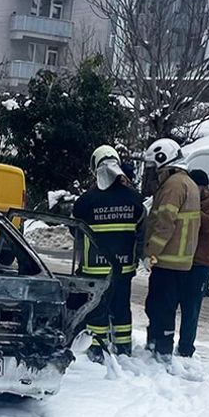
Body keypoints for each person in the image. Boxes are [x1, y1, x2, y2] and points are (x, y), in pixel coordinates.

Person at [73, 145, 146, 362]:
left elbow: (74, 230)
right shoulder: (134, 198)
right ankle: (123, 348)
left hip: (94, 268)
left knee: (97, 309)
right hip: (123, 267)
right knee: (121, 307)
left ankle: (97, 349)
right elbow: (142, 229)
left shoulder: (86, 201)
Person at [142, 138, 201, 360]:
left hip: (168, 260)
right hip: (181, 261)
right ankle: (160, 346)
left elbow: (165, 222)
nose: (153, 172)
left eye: (153, 166)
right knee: (164, 306)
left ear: (162, 158)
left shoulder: (173, 185)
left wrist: (151, 252)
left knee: (160, 307)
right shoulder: (187, 183)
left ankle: (160, 349)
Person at [178, 169, 209, 357]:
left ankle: (186, 348)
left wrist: (191, 207)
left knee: (191, 307)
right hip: (182, 258)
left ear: (203, 187)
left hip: (201, 261)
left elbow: (207, 224)